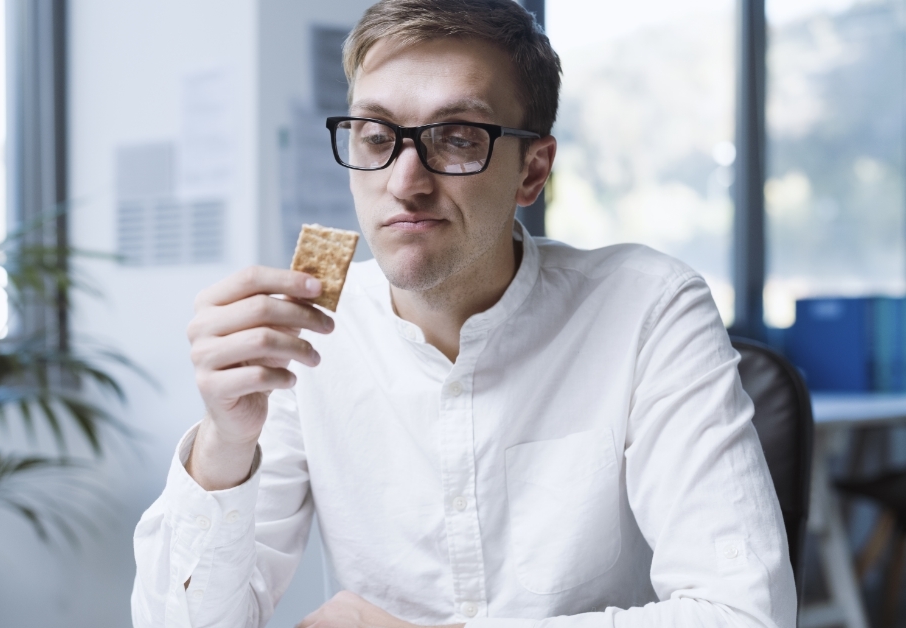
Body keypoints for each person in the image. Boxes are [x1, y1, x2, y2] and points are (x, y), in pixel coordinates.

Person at [132, 0, 795, 626]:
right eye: (375, 135)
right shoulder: (307, 338)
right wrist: (225, 439)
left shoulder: (647, 308)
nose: (404, 181)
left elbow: (744, 614)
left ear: (532, 172)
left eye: (456, 137)